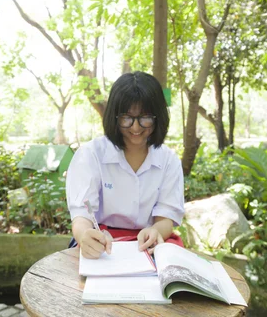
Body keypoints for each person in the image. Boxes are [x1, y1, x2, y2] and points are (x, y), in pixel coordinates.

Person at [65, 71, 185, 259]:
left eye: (145, 117)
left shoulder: (168, 160)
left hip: (149, 240)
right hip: (103, 239)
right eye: (126, 118)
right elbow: (82, 215)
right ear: (114, 117)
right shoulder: (90, 155)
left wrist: (156, 231)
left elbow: (166, 218)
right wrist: (84, 235)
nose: (136, 128)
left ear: (158, 117)